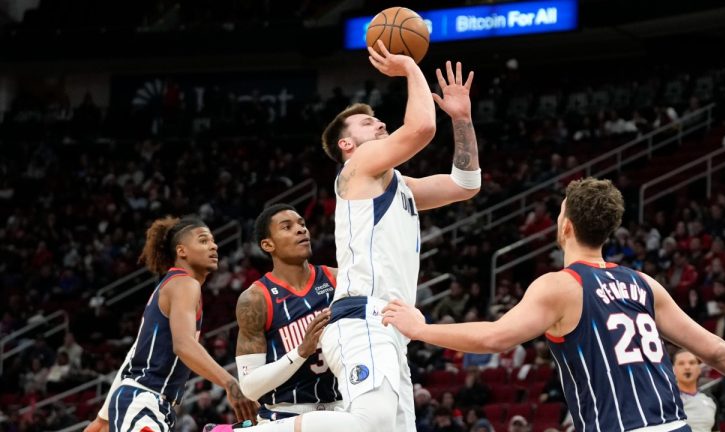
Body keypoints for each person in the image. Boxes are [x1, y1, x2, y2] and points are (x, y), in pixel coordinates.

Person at [382, 177, 725, 432]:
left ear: (565, 227)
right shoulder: (644, 284)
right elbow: (714, 350)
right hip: (673, 425)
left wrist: (420, 328)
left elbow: (495, 338)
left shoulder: (560, 286)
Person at [250, 43, 481, 432]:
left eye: (376, 120)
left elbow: (466, 184)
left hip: (393, 329)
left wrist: (461, 119)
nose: (378, 123)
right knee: (367, 422)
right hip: (362, 319)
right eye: (365, 123)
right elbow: (422, 127)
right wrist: (409, 66)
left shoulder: (398, 184)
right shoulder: (357, 168)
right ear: (347, 144)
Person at [84, 216, 256, 432]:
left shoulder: (172, 287)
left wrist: (101, 420)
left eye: (213, 241)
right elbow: (183, 345)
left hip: (149, 403)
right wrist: (230, 383)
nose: (214, 245)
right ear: (181, 251)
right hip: (144, 401)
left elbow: (134, 355)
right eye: (203, 241)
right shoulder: (185, 284)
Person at [231, 204, 342, 423]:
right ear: (267, 244)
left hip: (341, 409)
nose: (301, 230)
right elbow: (250, 388)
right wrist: (300, 352)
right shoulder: (255, 299)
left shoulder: (337, 279)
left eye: (302, 224)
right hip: (285, 414)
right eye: (287, 227)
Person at [672, 350, 717, 432]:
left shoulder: (710, 400)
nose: (687, 367)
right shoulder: (667, 400)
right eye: (681, 363)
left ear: (699, 369)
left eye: (692, 363)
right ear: (673, 370)